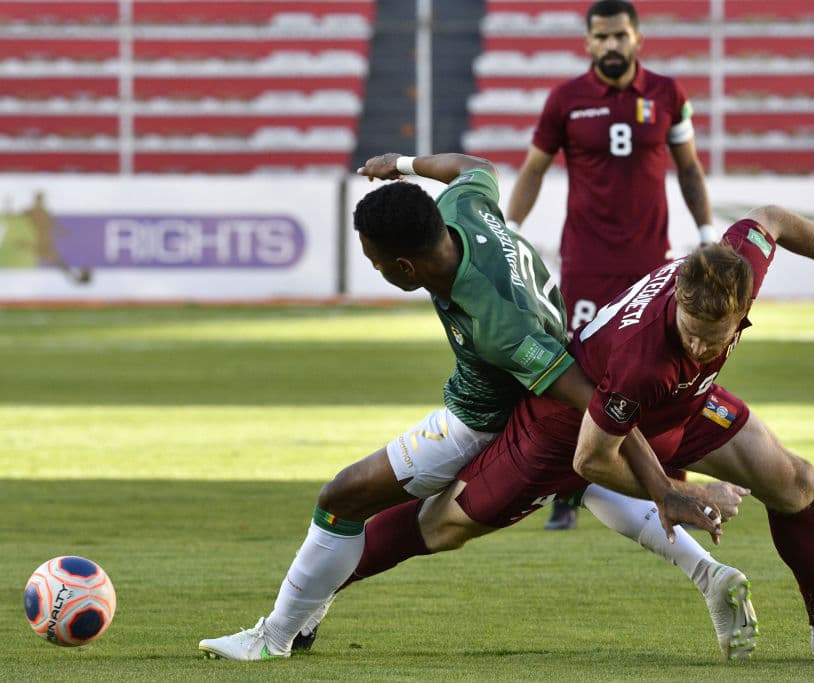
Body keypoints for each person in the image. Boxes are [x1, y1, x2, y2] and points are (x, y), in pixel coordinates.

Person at [296, 205, 814, 661]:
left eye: (717, 336)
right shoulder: (641, 360)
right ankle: (312, 600)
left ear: (744, 305)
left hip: (680, 408)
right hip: (566, 426)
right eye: (691, 330)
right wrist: (674, 496)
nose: (701, 342)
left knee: (796, 482)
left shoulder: (734, 261)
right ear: (676, 298)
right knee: (442, 526)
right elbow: (594, 458)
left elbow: (777, 219)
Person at [198, 152, 756, 662]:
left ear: (406, 269)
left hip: (479, 422)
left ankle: (273, 638)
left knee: (344, 500)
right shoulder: (464, 208)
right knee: (579, 483)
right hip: (548, 378)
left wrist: (665, 487)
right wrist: (404, 163)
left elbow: (592, 399)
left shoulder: (497, 324)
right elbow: (473, 167)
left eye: (377, 263)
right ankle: (707, 574)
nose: (375, 270)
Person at [504, 0, 715, 530]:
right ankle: (569, 486)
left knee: (664, 373)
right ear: (588, 43)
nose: (611, 46)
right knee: (582, 376)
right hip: (588, 264)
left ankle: (671, 487)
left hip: (652, 265)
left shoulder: (668, 94)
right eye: (601, 37)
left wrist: (708, 234)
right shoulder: (565, 99)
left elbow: (688, 170)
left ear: (638, 38)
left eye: (620, 35)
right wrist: (508, 231)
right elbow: (533, 170)